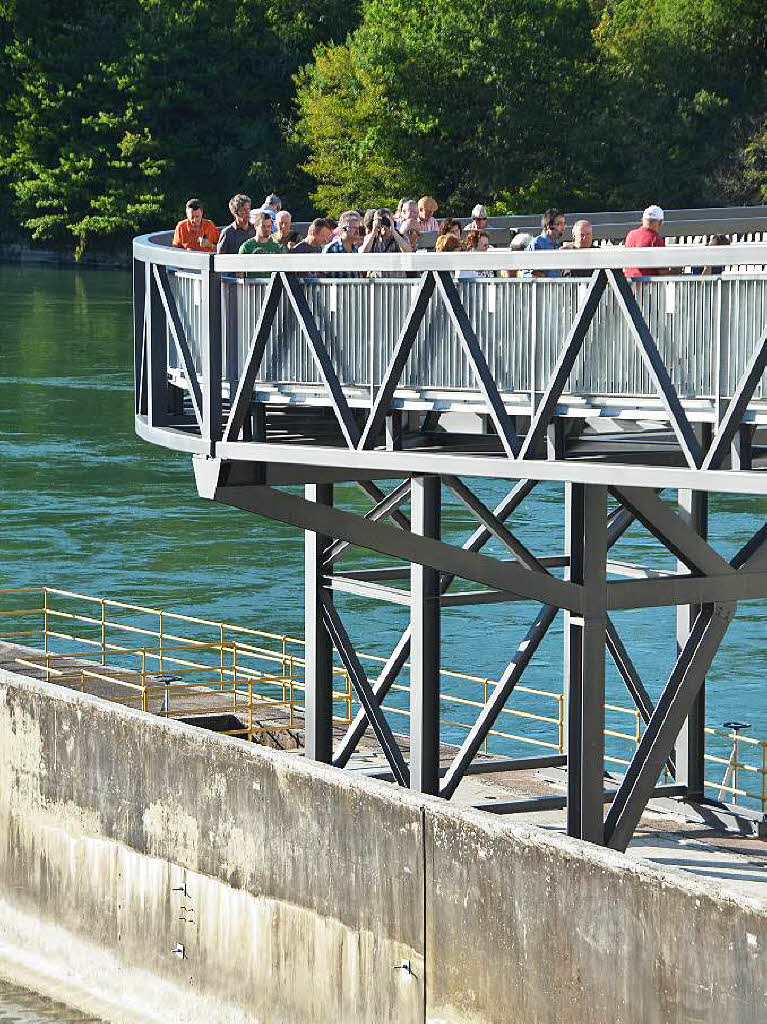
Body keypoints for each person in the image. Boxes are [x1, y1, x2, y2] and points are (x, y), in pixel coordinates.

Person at [624, 205, 667, 278]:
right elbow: (662, 272)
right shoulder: (655, 239)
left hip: (627, 284)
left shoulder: (631, 234)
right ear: (660, 222)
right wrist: (677, 270)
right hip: (648, 286)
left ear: (642, 220)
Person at [238, 209, 282, 277]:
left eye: (269, 226)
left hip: (271, 286)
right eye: (263, 226)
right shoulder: (246, 247)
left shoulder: (276, 247)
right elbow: (239, 273)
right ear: (256, 226)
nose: (267, 229)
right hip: (251, 285)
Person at [524, 208, 566, 278]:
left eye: (563, 223)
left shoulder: (558, 243)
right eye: (559, 224)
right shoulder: (537, 243)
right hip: (542, 286)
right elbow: (535, 273)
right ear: (549, 226)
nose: (563, 227)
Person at [323, 211, 362, 276]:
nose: (357, 231)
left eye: (358, 228)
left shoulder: (355, 248)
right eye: (354, 228)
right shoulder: (331, 248)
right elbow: (323, 274)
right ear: (344, 229)